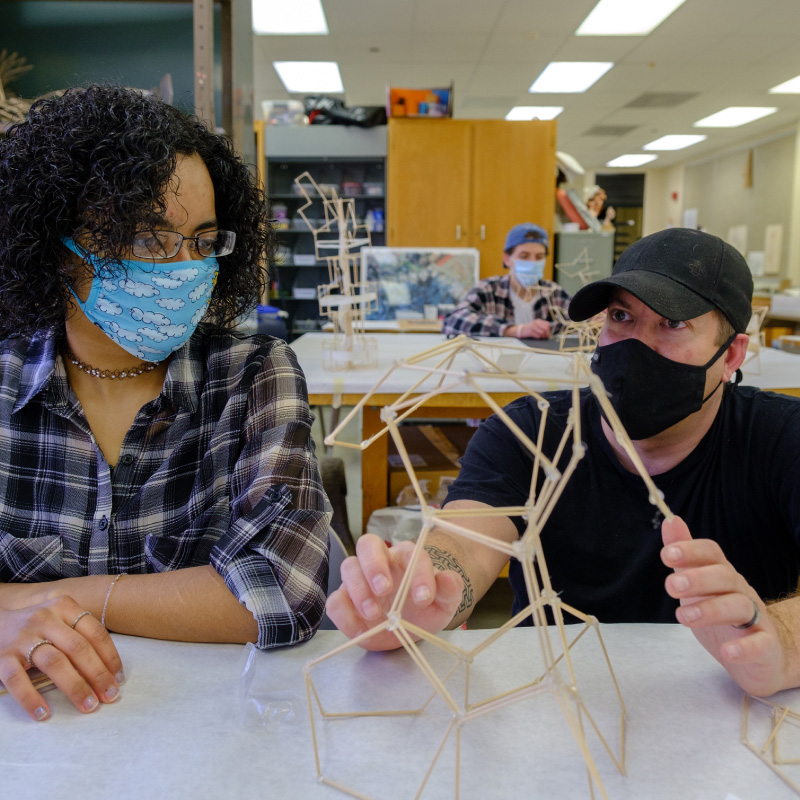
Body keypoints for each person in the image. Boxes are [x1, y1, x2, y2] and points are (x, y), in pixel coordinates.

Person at [328, 227, 800, 698]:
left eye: (672, 324)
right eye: (621, 316)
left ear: (731, 354)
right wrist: (424, 587)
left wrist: (781, 641)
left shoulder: (782, 438)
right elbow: (466, 542)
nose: (636, 345)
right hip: (552, 706)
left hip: (727, 712)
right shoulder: (529, 431)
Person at [0, 85, 330, 722]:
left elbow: (281, 592)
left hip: (204, 734)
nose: (185, 269)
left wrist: (47, 599)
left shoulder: (251, 374)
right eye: (152, 241)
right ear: (56, 245)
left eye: (203, 241)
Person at [441, 223, 570, 340]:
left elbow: (580, 323)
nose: (532, 262)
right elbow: (453, 321)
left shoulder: (554, 293)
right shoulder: (488, 290)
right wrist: (512, 330)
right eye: (524, 256)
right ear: (507, 258)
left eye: (539, 257)